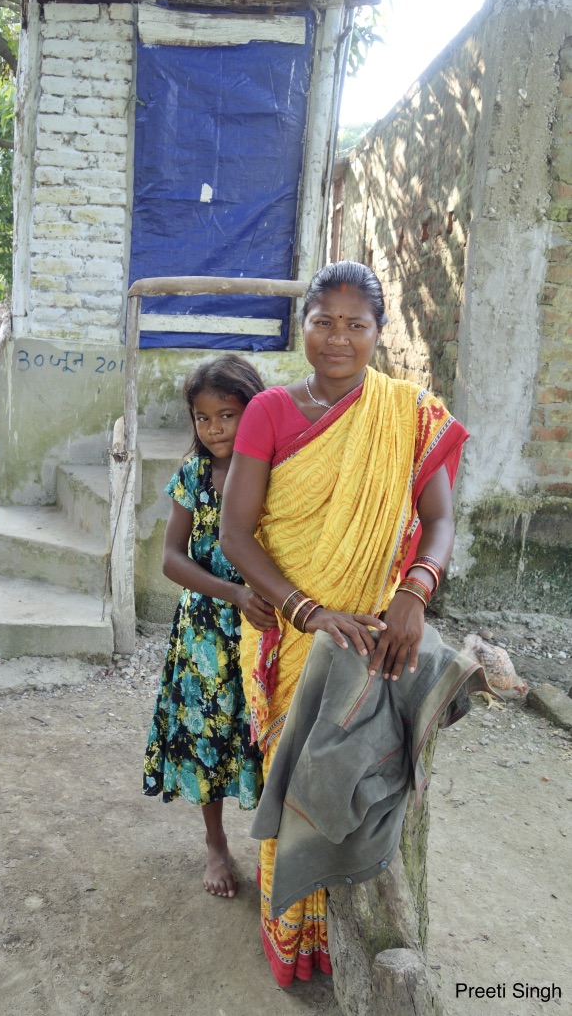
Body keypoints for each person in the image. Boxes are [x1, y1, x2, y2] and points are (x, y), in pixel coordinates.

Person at [219, 261, 470, 985]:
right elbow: (238, 536)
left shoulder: (408, 414)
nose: (337, 338)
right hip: (293, 632)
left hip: (374, 633)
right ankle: (294, 937)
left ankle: (355, 937)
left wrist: (415, 593)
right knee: (296, 771)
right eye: (322, 321)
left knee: (359, 777)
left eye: (355, 324)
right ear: (302, 328)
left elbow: (440, 518)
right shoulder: (268, 410)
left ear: (378, 332)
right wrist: (309, 611)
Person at [143, 353, 277, 898]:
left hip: (266, 629)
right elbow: (173, 560)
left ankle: (274, 850)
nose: (215, 428)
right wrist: (234, 593)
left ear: (256, 412)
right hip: (205, 637)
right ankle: (217, 845)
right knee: (207, 736)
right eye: (204, 417)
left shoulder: (280, 474)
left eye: (228, 414)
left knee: (267, 737)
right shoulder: (193, 477)